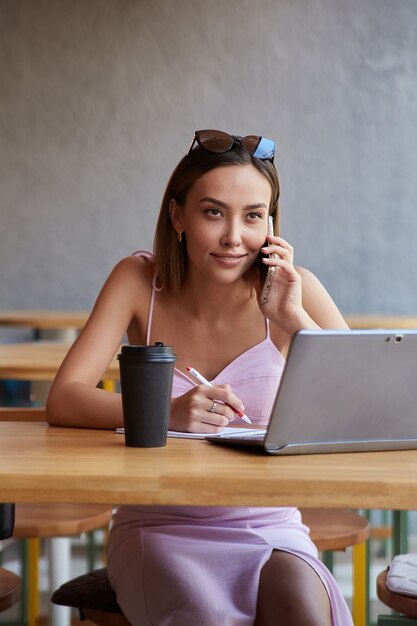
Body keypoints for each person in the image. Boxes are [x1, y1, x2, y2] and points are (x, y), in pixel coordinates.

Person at [46, 129, 352, 626]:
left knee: (302, 612)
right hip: (160, 524)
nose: (235, 236)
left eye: (253, 216)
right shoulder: (137, 281)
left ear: (270, 223)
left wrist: (296, 321)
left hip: (271, 525)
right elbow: (63, 399)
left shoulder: (298, 291)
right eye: (214, 212)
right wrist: (165, 415)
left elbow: (365, 406)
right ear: (178, 216)